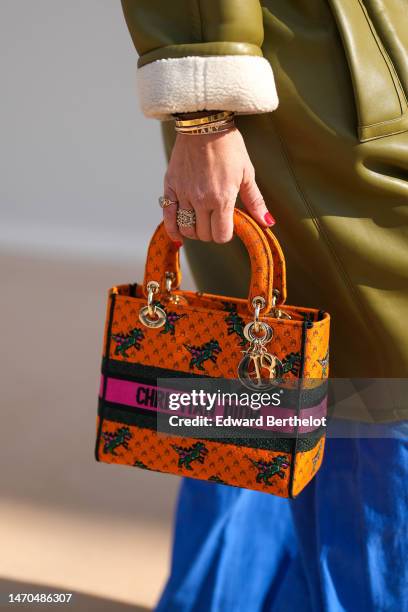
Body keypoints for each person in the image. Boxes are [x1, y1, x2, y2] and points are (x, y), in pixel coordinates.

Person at [120, 1, 408, 610]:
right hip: (310, 82)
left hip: (362, 65)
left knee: (262, 359)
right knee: (354, 371)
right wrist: (204, 114)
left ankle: (231, 595)